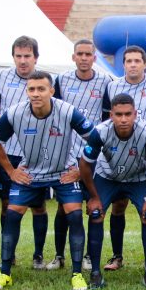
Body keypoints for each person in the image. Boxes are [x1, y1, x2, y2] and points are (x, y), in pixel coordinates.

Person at [0, 71, 95, 290]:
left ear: (51, 91)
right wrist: (10, 171)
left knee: (74, 215)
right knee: (12, 215)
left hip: (63, 172)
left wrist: (80, 171)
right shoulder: (15, 112)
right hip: (30, 173)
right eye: (31, 89)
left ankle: (76, 274)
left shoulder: (67, 111)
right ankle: (5, 273)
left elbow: (94, 139)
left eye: (41, 89)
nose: (36, 94)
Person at [80, 94, 146, 290]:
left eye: (128, 114)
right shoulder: (100, 131)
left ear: (135, 114)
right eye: (118, 114)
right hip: (107, 176)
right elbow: (85, 165)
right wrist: (93, 197)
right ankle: (95, 273)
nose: (124, 119)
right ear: (111, 114)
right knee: (95, 214)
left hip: (138, 177)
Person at [100, 45, 146, 271]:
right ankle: (117, 256)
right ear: (123, 64)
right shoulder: (112, 86)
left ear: (144, 64)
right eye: (129, 61)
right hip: (119, 152)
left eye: (137, 60)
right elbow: (105, 121)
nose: (133, 65)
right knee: (118, 206)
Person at [51, 39, 111, 272]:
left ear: (94, 58)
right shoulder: (62, 80)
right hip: (66, 152)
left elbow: (107, 118)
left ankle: (87, 255)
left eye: (88, 54)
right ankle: (59, 255)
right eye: (80, 54)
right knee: (63, 206)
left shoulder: (105, 81)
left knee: (93, 204)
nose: (84, 58)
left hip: (93, 154)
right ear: (73, 57)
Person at [0, 36, 48, 268]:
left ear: (36, 57)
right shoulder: (1, 78)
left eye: (27, 56)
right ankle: (10, 254)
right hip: (9, 152)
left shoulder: (44, 81)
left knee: (39, 205)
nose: (23, 61)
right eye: (19, 56)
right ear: (13, 57)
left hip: (37, 152)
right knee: (8, 203)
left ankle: (38, 254)